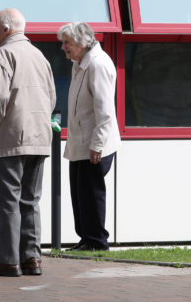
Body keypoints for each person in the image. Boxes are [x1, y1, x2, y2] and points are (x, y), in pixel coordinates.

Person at [0, 8, 56, 277]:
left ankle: (6, 261)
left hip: (6, 140)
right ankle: (31, 259)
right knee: (29, 201)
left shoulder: (2, 56)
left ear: (6, 29)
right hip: (38, 138)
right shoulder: (40, 56)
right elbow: (51, 98)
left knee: (4, 202)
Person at [58, 22, 121, 252]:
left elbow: (105, 111)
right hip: (80, 141)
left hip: (94, 143)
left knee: (91, 192)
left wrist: (97, 144)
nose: (63, 47)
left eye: (67, 43)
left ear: (84, 42)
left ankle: (96, 241)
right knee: (79, 192)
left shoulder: (97, 64)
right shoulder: (80, 62)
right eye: (63, 42)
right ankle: (87, 238)